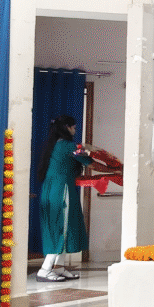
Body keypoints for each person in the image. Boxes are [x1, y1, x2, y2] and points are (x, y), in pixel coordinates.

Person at [36, 114, 92, 282]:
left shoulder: (53, 145)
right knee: (61, 229)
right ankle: (45, 270)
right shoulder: (69, 146)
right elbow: (90, 163)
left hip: (51, 191)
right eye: (73, 127)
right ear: (67, 127)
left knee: (62, 229)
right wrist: (117, 169)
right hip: (61, 192)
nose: (75, 130)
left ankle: (59, 268)